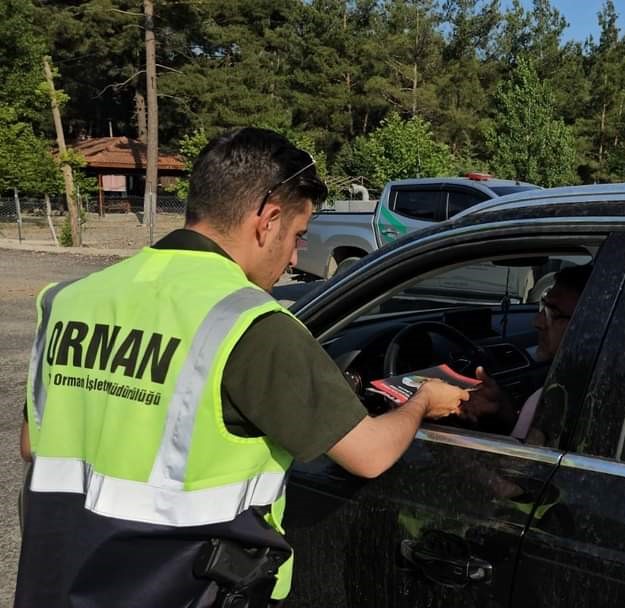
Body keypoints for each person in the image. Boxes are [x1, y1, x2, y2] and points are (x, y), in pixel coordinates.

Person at [15, 127, 469, 608]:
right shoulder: (249, 324)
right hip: (184, 589)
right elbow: (370, 454)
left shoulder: (69, 300)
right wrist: (422, 401)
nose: (295, 255)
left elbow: (33, 444)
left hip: (57, 579)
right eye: (298, 235)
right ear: (268, 219)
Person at [459, 264, 592, 441]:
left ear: (589, 322)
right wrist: (501, 408)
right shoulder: (581, 382)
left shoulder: (565, 398)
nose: (537, 322)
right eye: (542, 308)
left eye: (553, 312)